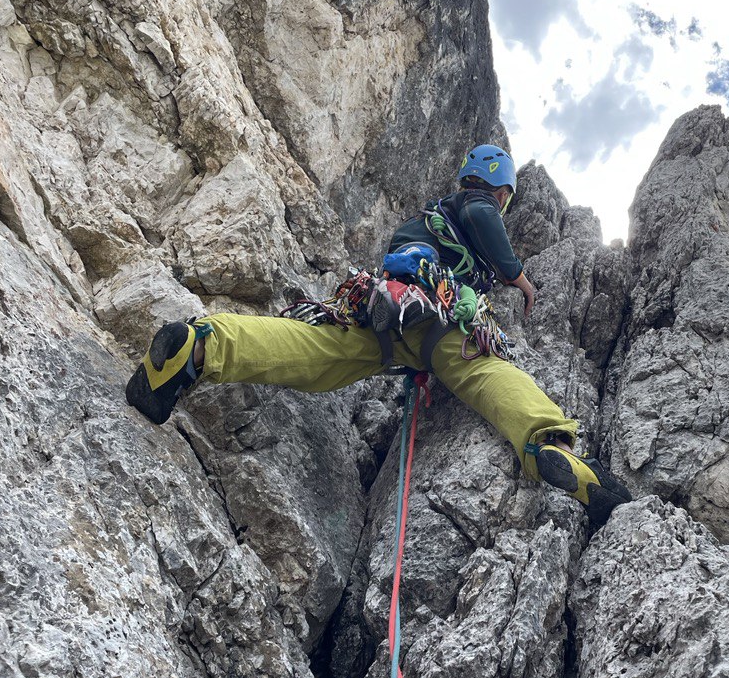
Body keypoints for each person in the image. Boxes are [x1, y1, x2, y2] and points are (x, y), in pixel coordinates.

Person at [126, 145, 631, 525]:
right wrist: (518, 278)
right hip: (442, 316)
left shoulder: (424, 221)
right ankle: (549, 443)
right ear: (500, 190)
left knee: (319, 354)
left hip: (385, 309)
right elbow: (482, 216)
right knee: (485, 373)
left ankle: (201, 345)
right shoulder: (476, 205)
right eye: (503, 197)